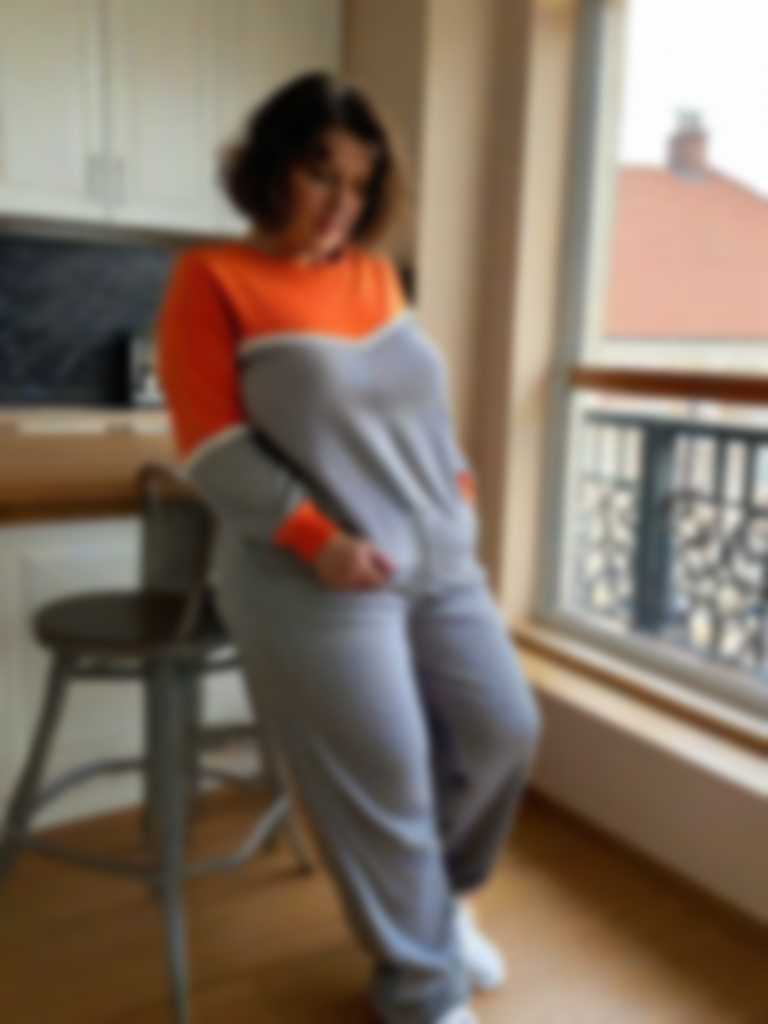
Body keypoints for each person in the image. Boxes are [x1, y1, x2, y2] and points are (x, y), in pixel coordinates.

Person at [157, 70, 542, 1024]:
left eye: (361, 185)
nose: (342, 205)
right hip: (313, 574)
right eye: (321, 174)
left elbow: (416, 411)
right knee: (386, 779)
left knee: (502, 731)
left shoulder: (373, 275)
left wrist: (457, 485)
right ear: (270, 169)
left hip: (435, 556)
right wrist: (316, 539)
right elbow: (211, 445)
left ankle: (441, 910)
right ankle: (420, 988)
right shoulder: (213, 278)